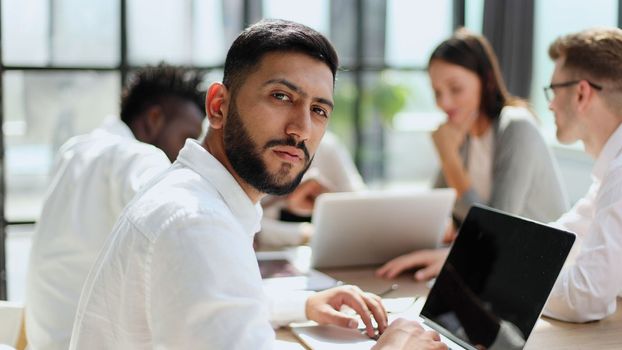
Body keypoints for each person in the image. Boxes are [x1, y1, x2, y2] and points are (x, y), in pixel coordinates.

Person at [68, 20, 446, 350]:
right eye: (281, 97)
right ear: (218, 107)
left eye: (319, 110)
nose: (301, 129)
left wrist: (304, 305)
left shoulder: (191, 194)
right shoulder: (196, 223)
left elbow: (207, 298)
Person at [25, 64, 205, 350]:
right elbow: (179, 219)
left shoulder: (73, 150)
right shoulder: (141, 157)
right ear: (154, 118)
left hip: (42, 341)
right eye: (187, 137)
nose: (188, 150)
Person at [376, 29, 568, 281]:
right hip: (495, 267)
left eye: (455, 89)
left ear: (485, 80)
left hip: (540, 271)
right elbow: (433, 211)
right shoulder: (462, 137)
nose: (444, 103)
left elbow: (498, 229)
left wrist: (449, 158)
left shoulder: (516, 127)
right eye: (437, 92)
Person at [541, 27, 622, 322]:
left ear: (581, 93)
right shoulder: (610, 172)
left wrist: (508, 281)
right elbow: (565, 236)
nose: (549, 104)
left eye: (553, 90)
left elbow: (585, 297)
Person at [258, 130, 365, 246]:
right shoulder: (258, 148)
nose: (303, 129)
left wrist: (330, 202)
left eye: (318, 111)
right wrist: (306, 234)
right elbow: (251, 228)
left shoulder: (328, 147)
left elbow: (362, 212)